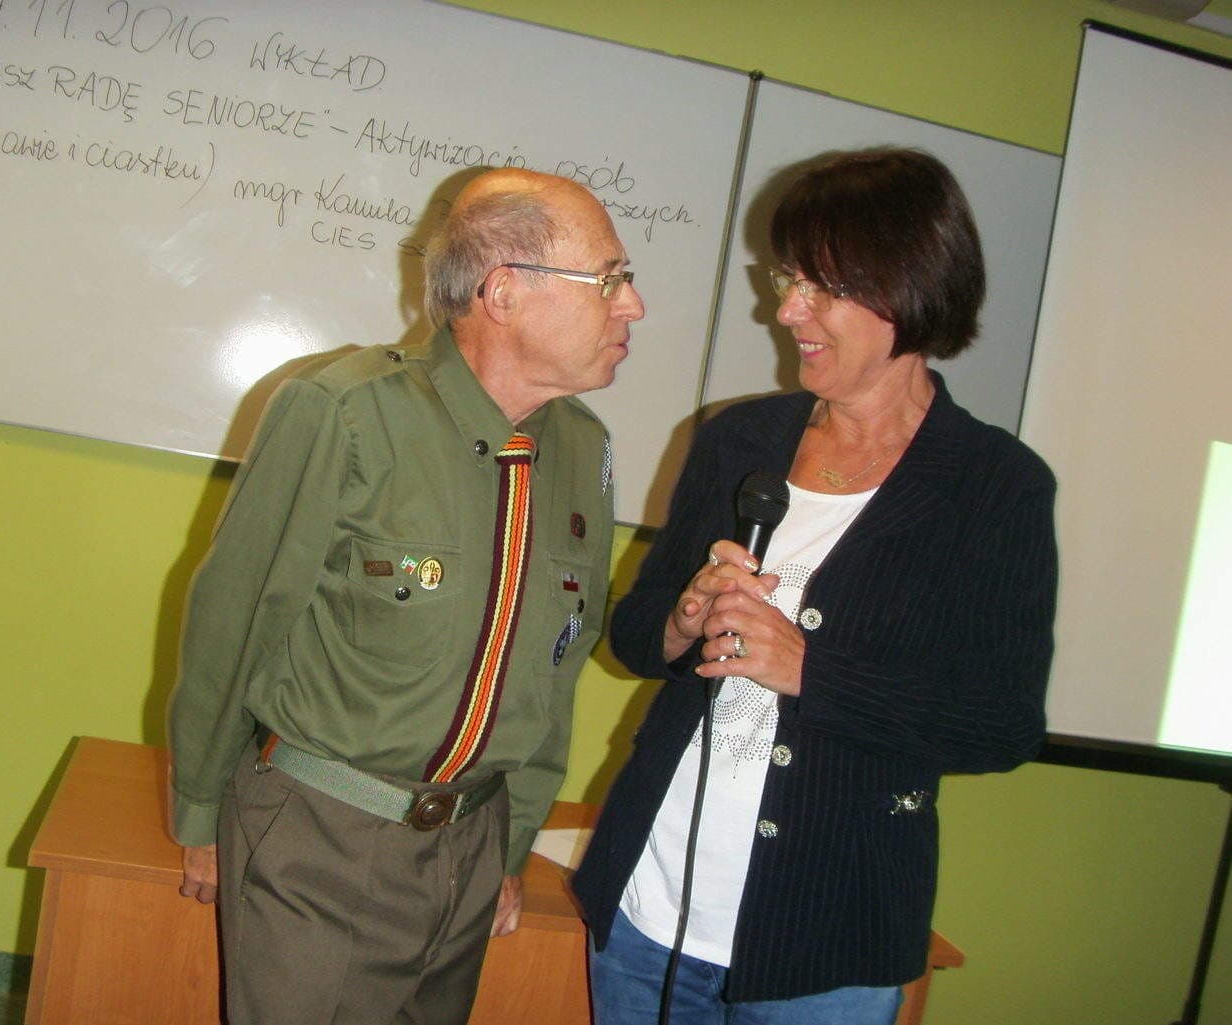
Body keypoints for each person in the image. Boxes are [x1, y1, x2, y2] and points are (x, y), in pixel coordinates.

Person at [572, 148, 1057, 1024]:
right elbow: (635, 637)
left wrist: (808, 669)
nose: (787, 310)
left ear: (909, 288)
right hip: (649, 913)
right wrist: (683, 616)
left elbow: (1001, 723)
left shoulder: (994, 485)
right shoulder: (738, 439)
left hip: (827, 941)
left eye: (820, 288)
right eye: (787, 279)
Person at [167, 167, 644, 1025]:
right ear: (504, 291)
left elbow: (553, 672)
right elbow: (236, 616)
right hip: (323, 839)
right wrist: (199, 811)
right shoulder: (346, 411)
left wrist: (510, 845)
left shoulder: (583, 449)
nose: (632, 306)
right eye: (609, 279)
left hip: (470, 848)